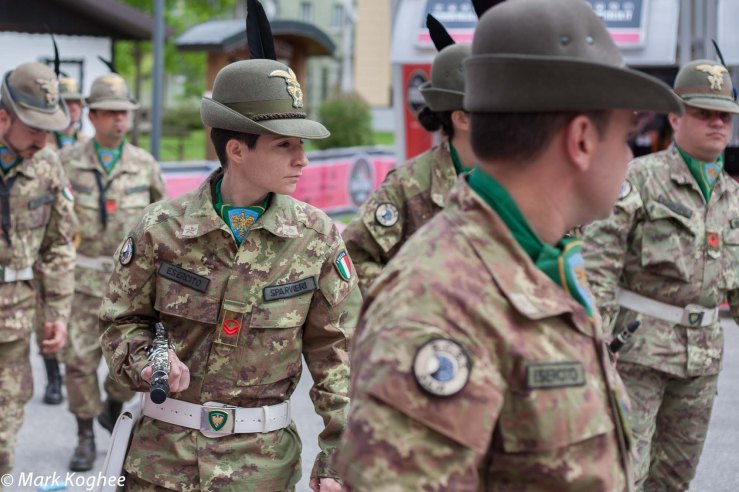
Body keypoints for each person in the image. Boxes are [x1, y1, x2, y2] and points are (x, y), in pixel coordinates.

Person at [335, 0, 683, 489]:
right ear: (582, 139)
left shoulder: (544, 262)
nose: (632, 154)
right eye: (629, 134)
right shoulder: (437, 306)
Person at [100, 57, 360, 491]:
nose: (303, 160)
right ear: (237, 150)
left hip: (261, 471)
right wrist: (146, 362)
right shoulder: (160, 229)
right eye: (285, 146)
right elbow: (120, 321)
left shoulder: (317, 239)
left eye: (302, 145)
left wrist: (338, 456)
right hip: (161, 465)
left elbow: (340, 355)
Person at [582, 59, 739, 491]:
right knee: (625, 475)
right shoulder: (640, 179)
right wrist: (595, 343)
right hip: (638, 354)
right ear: (675, 116)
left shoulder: (732, 197)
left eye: (723, 115)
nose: (716, 123)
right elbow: (598, 261)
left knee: (673, 480)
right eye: (703, 112)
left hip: (701, 362)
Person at [60, 72, 166, 472]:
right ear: (92, 116)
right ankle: (85, 434)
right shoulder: (67, 162)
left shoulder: (144, 164)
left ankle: (112, 406)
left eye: (124, 113)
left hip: (131, 287)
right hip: (81, 281)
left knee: (125, 365)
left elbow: (165, 222)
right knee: (79, 362)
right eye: (110, 114)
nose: (119, 121)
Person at [342, 42, 475, 295]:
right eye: (494, 108)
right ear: (462, 118)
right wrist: (409, 298)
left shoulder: (520, 180)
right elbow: (351, 256)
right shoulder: (409, 185)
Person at [0, 62, 77, 487]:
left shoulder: (47, 164)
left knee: (3, 426)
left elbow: (58, 245)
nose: (44, 139)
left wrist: (57, 313)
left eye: (50, 129)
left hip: (13, 317)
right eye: (35, 128)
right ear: (3, 117)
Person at [37, 76, 88, 406]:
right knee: (47, 313)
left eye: (76, 104)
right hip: (49, 239)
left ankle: (72, 372)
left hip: (81, 239)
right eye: (66, 104)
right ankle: (54, 378)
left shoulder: (84, 142)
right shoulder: (42, 146)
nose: (72, 109)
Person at [47, 76, 88, 151]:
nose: (73, 107)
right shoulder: (43, 141)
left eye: (77, 102)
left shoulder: (86, 143)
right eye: (67, 102)